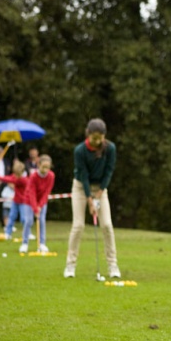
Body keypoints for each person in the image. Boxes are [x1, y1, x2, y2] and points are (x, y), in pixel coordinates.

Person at [64, 118, 120, 279]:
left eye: (100, 137)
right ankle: (70, 265)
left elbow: (109, 171)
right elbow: (83, 175)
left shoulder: (110, 149)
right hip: (81, 187)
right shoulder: (80, 151)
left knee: (107, 225)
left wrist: (100, 193)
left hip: (101, 189)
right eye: (94, 137)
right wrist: (90, 200)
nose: (97, 141)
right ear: (88, 134)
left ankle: (112, 265)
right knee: (78, 225)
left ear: (104, 136)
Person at [19, 154, 55, 253]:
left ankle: (42, 243)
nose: (46, 169)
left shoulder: (51, 176)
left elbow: (47, 192)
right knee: (28, 221)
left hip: (42, 202)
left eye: (48, 167)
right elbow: (31, 193)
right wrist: (35, 208)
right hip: (29, 200)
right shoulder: (34, 176)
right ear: (39, 165)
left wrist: (40, 205)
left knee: (42, 220)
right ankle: (24, 243)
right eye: (44, 167)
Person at [0, 160, 29, 240]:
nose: (15, 175)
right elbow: (10, 177)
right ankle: (8, 233)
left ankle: (27, 234)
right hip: (16, 201)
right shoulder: (17, 176)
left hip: (23, 202)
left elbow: (9, 179)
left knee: (24, 219)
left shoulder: (23, 180)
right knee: (11, 217)